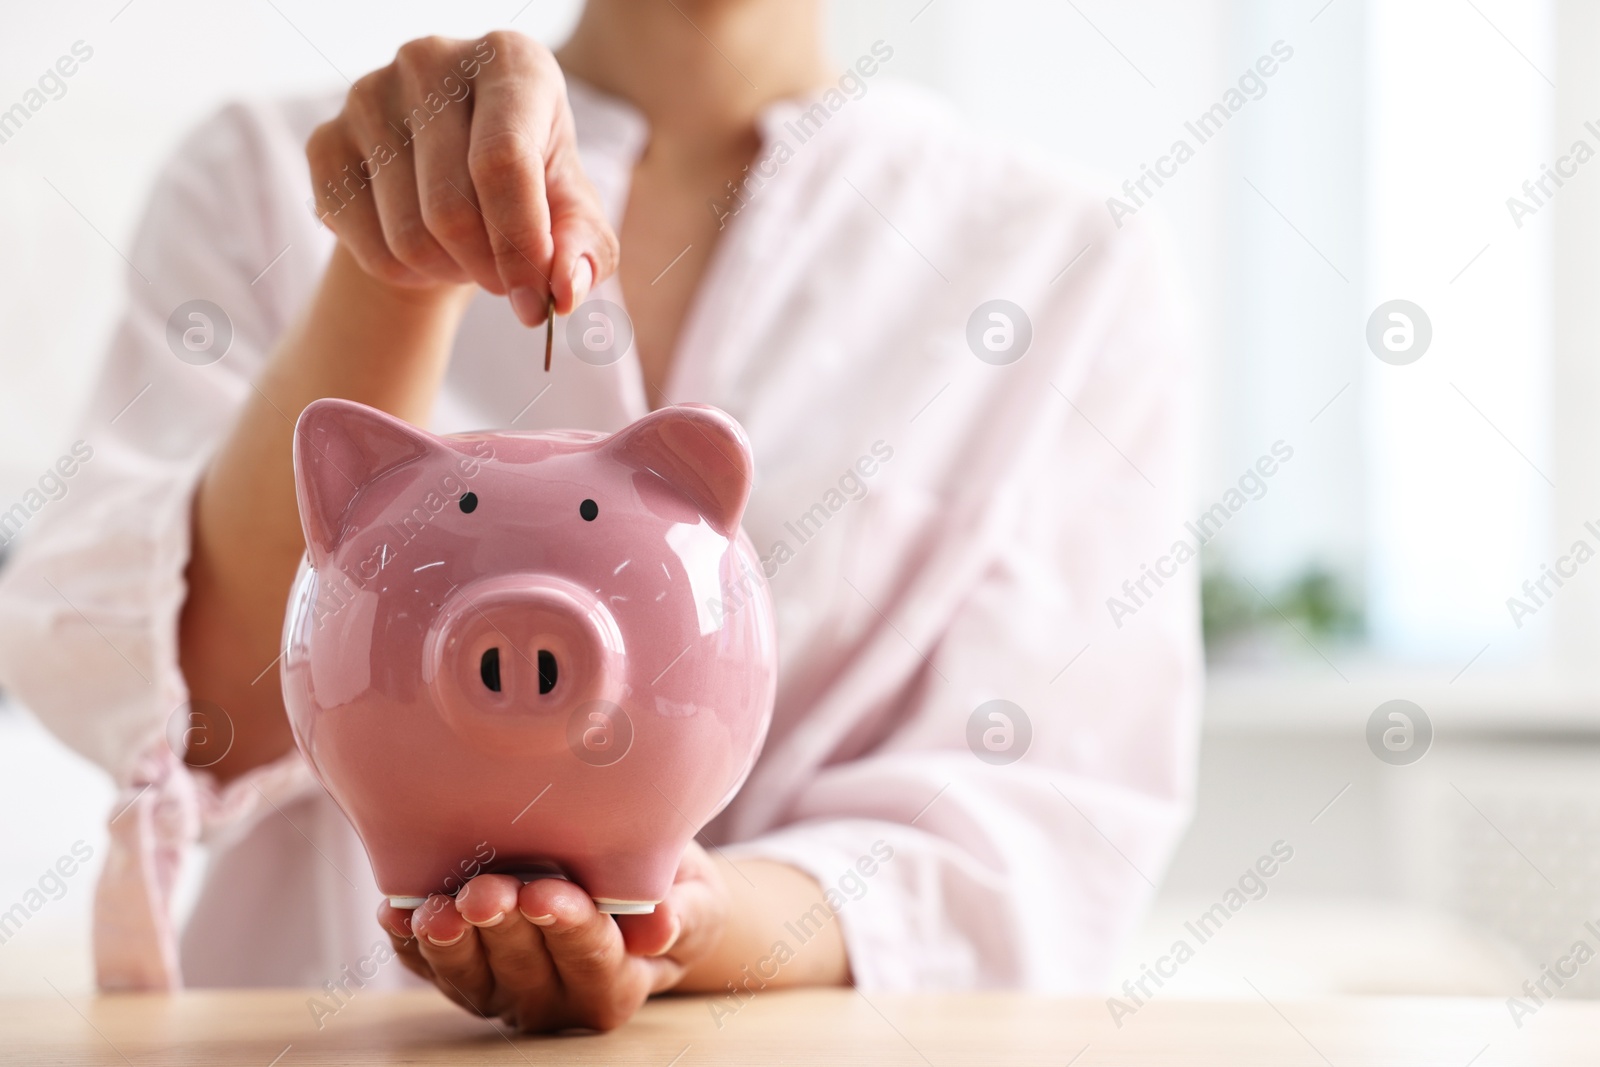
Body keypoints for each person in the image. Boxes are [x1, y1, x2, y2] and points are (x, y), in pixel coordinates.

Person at [0, 0, 1200, 1033]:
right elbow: (197, 706)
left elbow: (1033, 813)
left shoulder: (1067, 261)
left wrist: (693, 925)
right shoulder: (265, 172)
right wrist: (392, 270)